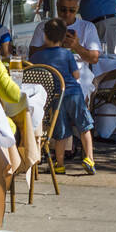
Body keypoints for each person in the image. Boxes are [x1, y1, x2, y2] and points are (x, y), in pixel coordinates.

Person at [30, 17, 96, 175]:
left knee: (61, 132)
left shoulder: (37, 57)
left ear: (45, 36)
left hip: (54, 97)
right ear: (63, 37)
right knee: (84, 126)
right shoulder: (66, 54)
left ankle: (59, 164)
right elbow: (76, 75)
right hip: (73, 93)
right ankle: (89, 158)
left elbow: (33, 72)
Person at [28, 0, 102, 91]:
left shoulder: (87, 27)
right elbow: (31, 55)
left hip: (78, 73)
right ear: (57, 6)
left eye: (72, 10)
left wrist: (76, 46)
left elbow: (94, 59)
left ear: (77, 8)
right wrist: (53, 44)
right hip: (47, 73)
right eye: (63, 9)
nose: (67, 14)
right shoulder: (44, 26)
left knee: (78, 89)